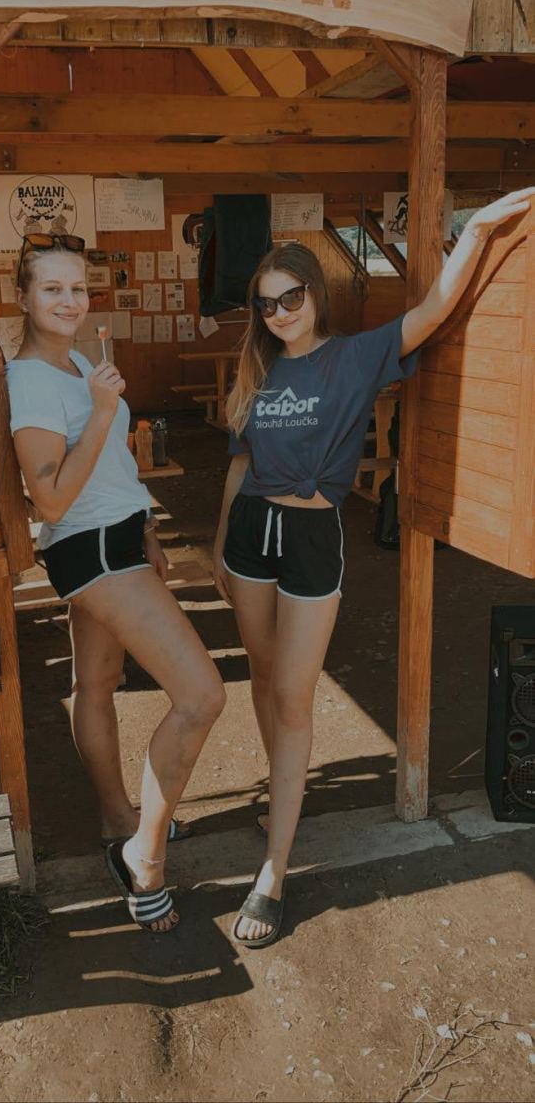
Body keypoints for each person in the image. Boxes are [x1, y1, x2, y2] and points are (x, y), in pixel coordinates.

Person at [213, 188, 535, 949]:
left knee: (292, 698)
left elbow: (435, 309)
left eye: (290, 298)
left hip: (312, 536)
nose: (279, 313)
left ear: (314, 295)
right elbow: (239, 465)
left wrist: (480, 228)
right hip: (250, 536)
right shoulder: (257, 370)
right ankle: (281, 798)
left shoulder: (354, 357)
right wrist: (219, 548)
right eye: (266, 304)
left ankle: (273, 871)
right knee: (263, 677)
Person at [6, 233, 225, 933]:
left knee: (96, 683)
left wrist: (147, 527)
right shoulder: (29, 381)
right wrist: (102, 412)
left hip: (118, 537)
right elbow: (49, 501)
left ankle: (117, 819)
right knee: (202, 695)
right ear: (22, 296)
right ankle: (144, 857)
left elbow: (110, 469)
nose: (69, 300)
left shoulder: (77, 360)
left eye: (77, 288)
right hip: (90, 548)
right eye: (52, 289)